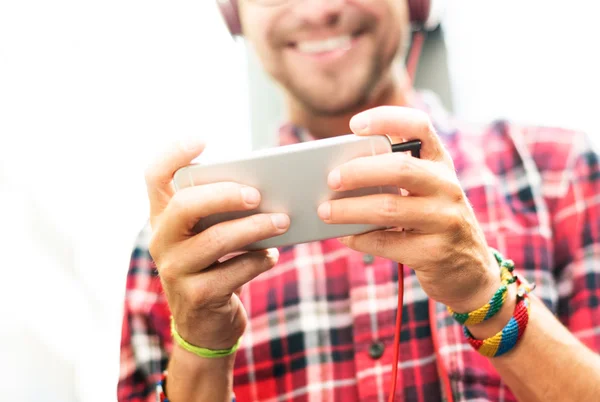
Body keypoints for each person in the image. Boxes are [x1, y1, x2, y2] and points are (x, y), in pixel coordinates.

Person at [118, 0, 600, 401]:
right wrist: (201, 348)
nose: (319, 9)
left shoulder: (558, 171)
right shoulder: (181, 239)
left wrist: (484, 293)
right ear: (233, 13)